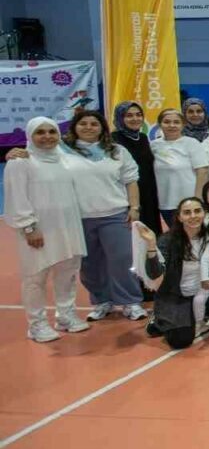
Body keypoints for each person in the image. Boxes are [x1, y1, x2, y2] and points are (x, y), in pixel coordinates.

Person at [4, 117, 89, 342]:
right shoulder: (20, 162)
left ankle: (65, 315)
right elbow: (16, 197)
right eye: (40, 132)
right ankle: (37, 324)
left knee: (67, 273)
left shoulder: (64, 159)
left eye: (52, 131)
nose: (47, 136)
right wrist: (29, 227)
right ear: (29, 136)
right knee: (35, 277)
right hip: (38, 230)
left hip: (68, 226)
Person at [59, 110, 148, 321]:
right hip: (79, 218)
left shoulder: (117, 151)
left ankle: (130, 302)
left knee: (123, 259)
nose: (89, 127)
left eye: (94, 124)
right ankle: (101, 301)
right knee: (90, 264)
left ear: (102, 128)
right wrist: (16, 153)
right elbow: (36, 154)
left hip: (115, 215)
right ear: (74, 127)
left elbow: (131, 180)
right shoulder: (61, 151)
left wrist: (134, 208)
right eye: (83, 123)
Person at [140, 198, 209, 350]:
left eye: (197, 211)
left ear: (204, 213)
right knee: (181, 340)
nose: (193, 216)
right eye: (187, 212)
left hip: (204, 289)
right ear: (179, 217)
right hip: (176, 295)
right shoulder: (167, 240)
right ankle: (159, 320)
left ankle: (195, 315)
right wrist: (151, 246)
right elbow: (153, 274)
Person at [150, 108, 209, 226]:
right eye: (167, 122)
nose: (172, 125)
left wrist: (197, 200)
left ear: (183, 124)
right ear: (160, 124)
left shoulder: (191, 143)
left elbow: (202, 171)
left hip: (189, 203)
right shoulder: (154, 145)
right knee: (175, 236)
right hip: (165, 203)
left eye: (176, 122)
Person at [111, 101, 162, 234]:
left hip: (149, 195)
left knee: (151, 234)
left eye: (138, 115)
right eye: (129, 115)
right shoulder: (113, 140)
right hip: (128, 196)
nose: (135, 119)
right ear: (120, 118)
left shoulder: (143, 138)